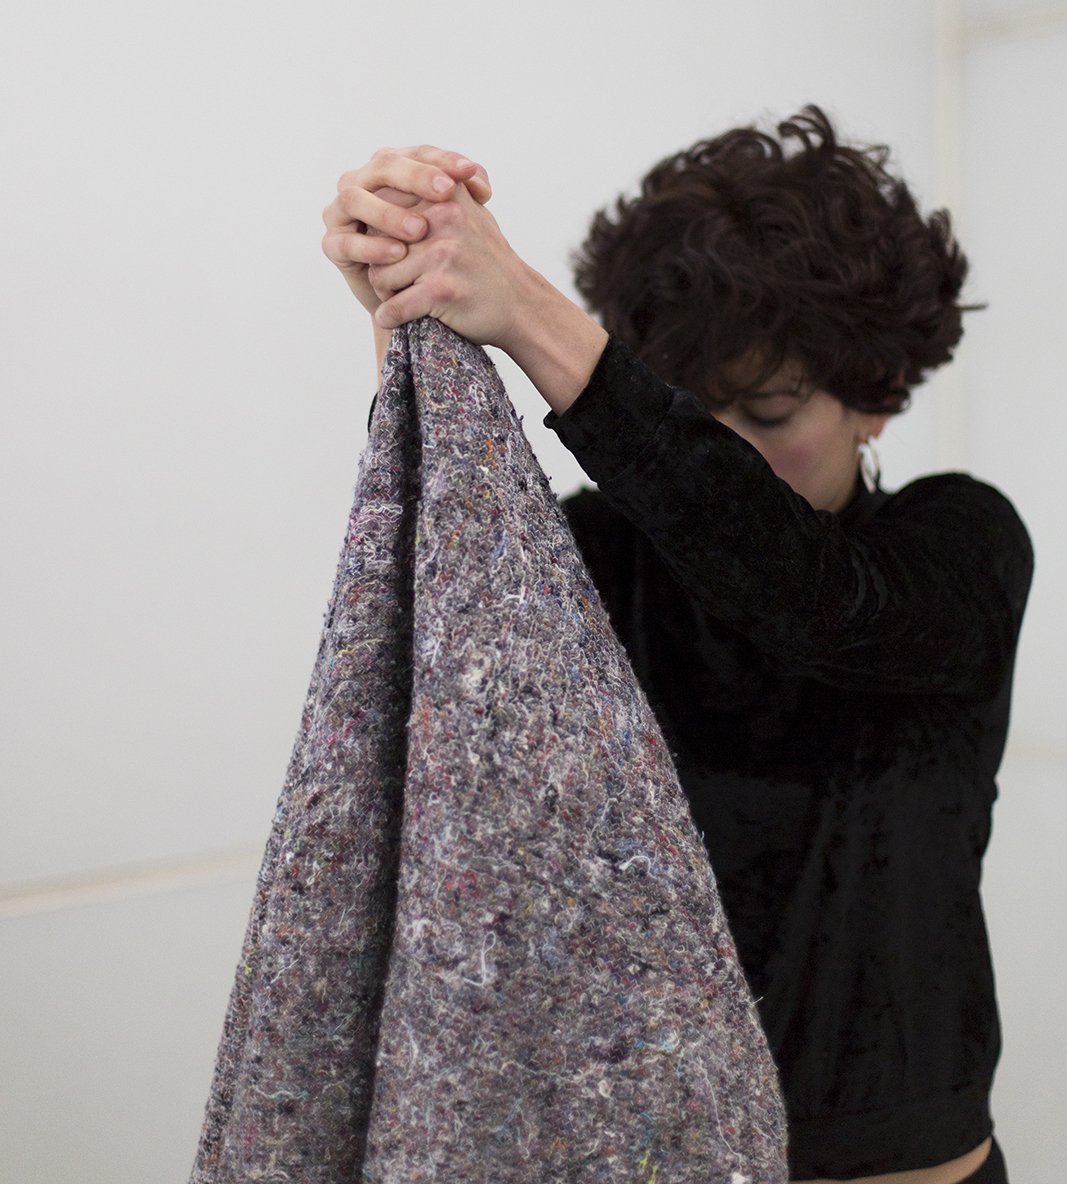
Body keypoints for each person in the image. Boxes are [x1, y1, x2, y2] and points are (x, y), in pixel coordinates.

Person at [321, 109, 1032, 1184]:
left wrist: (527, 310)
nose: (726, 448)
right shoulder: (602, 554)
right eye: (696, 411)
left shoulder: (956, 548)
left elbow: (811, 597)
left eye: (768, 410)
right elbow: (437, 633)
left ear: (877, 397)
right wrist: (409, 301)